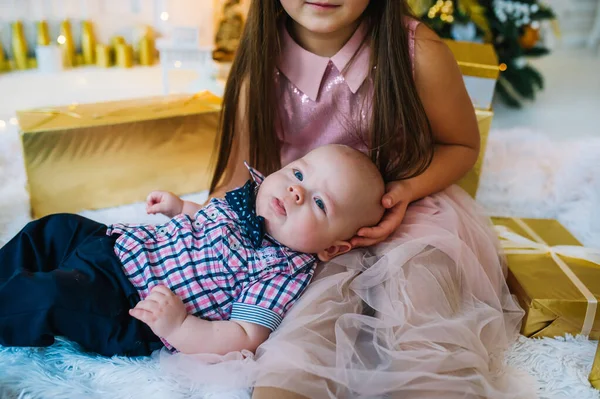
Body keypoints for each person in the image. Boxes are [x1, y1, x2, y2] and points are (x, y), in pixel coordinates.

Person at [158, 1, 531, 398]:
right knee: (309, 315)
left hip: (407, 209)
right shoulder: (263, 57)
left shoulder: (418, 51)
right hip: (310, 228)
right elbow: (236, 178)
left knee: (422, 296)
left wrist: (403, 191)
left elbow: (460, 145)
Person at [0, 145, 385, 358]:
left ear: (333, 247)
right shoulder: (249, 201)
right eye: (299, 174)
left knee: (48, 296)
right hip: (119, 245)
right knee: (54, 228)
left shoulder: (281, 270)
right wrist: (180, 207)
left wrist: (179, 326)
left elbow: (243, 335)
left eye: (320, 203)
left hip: (127, 301)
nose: (297, 191)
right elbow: (210, 219)